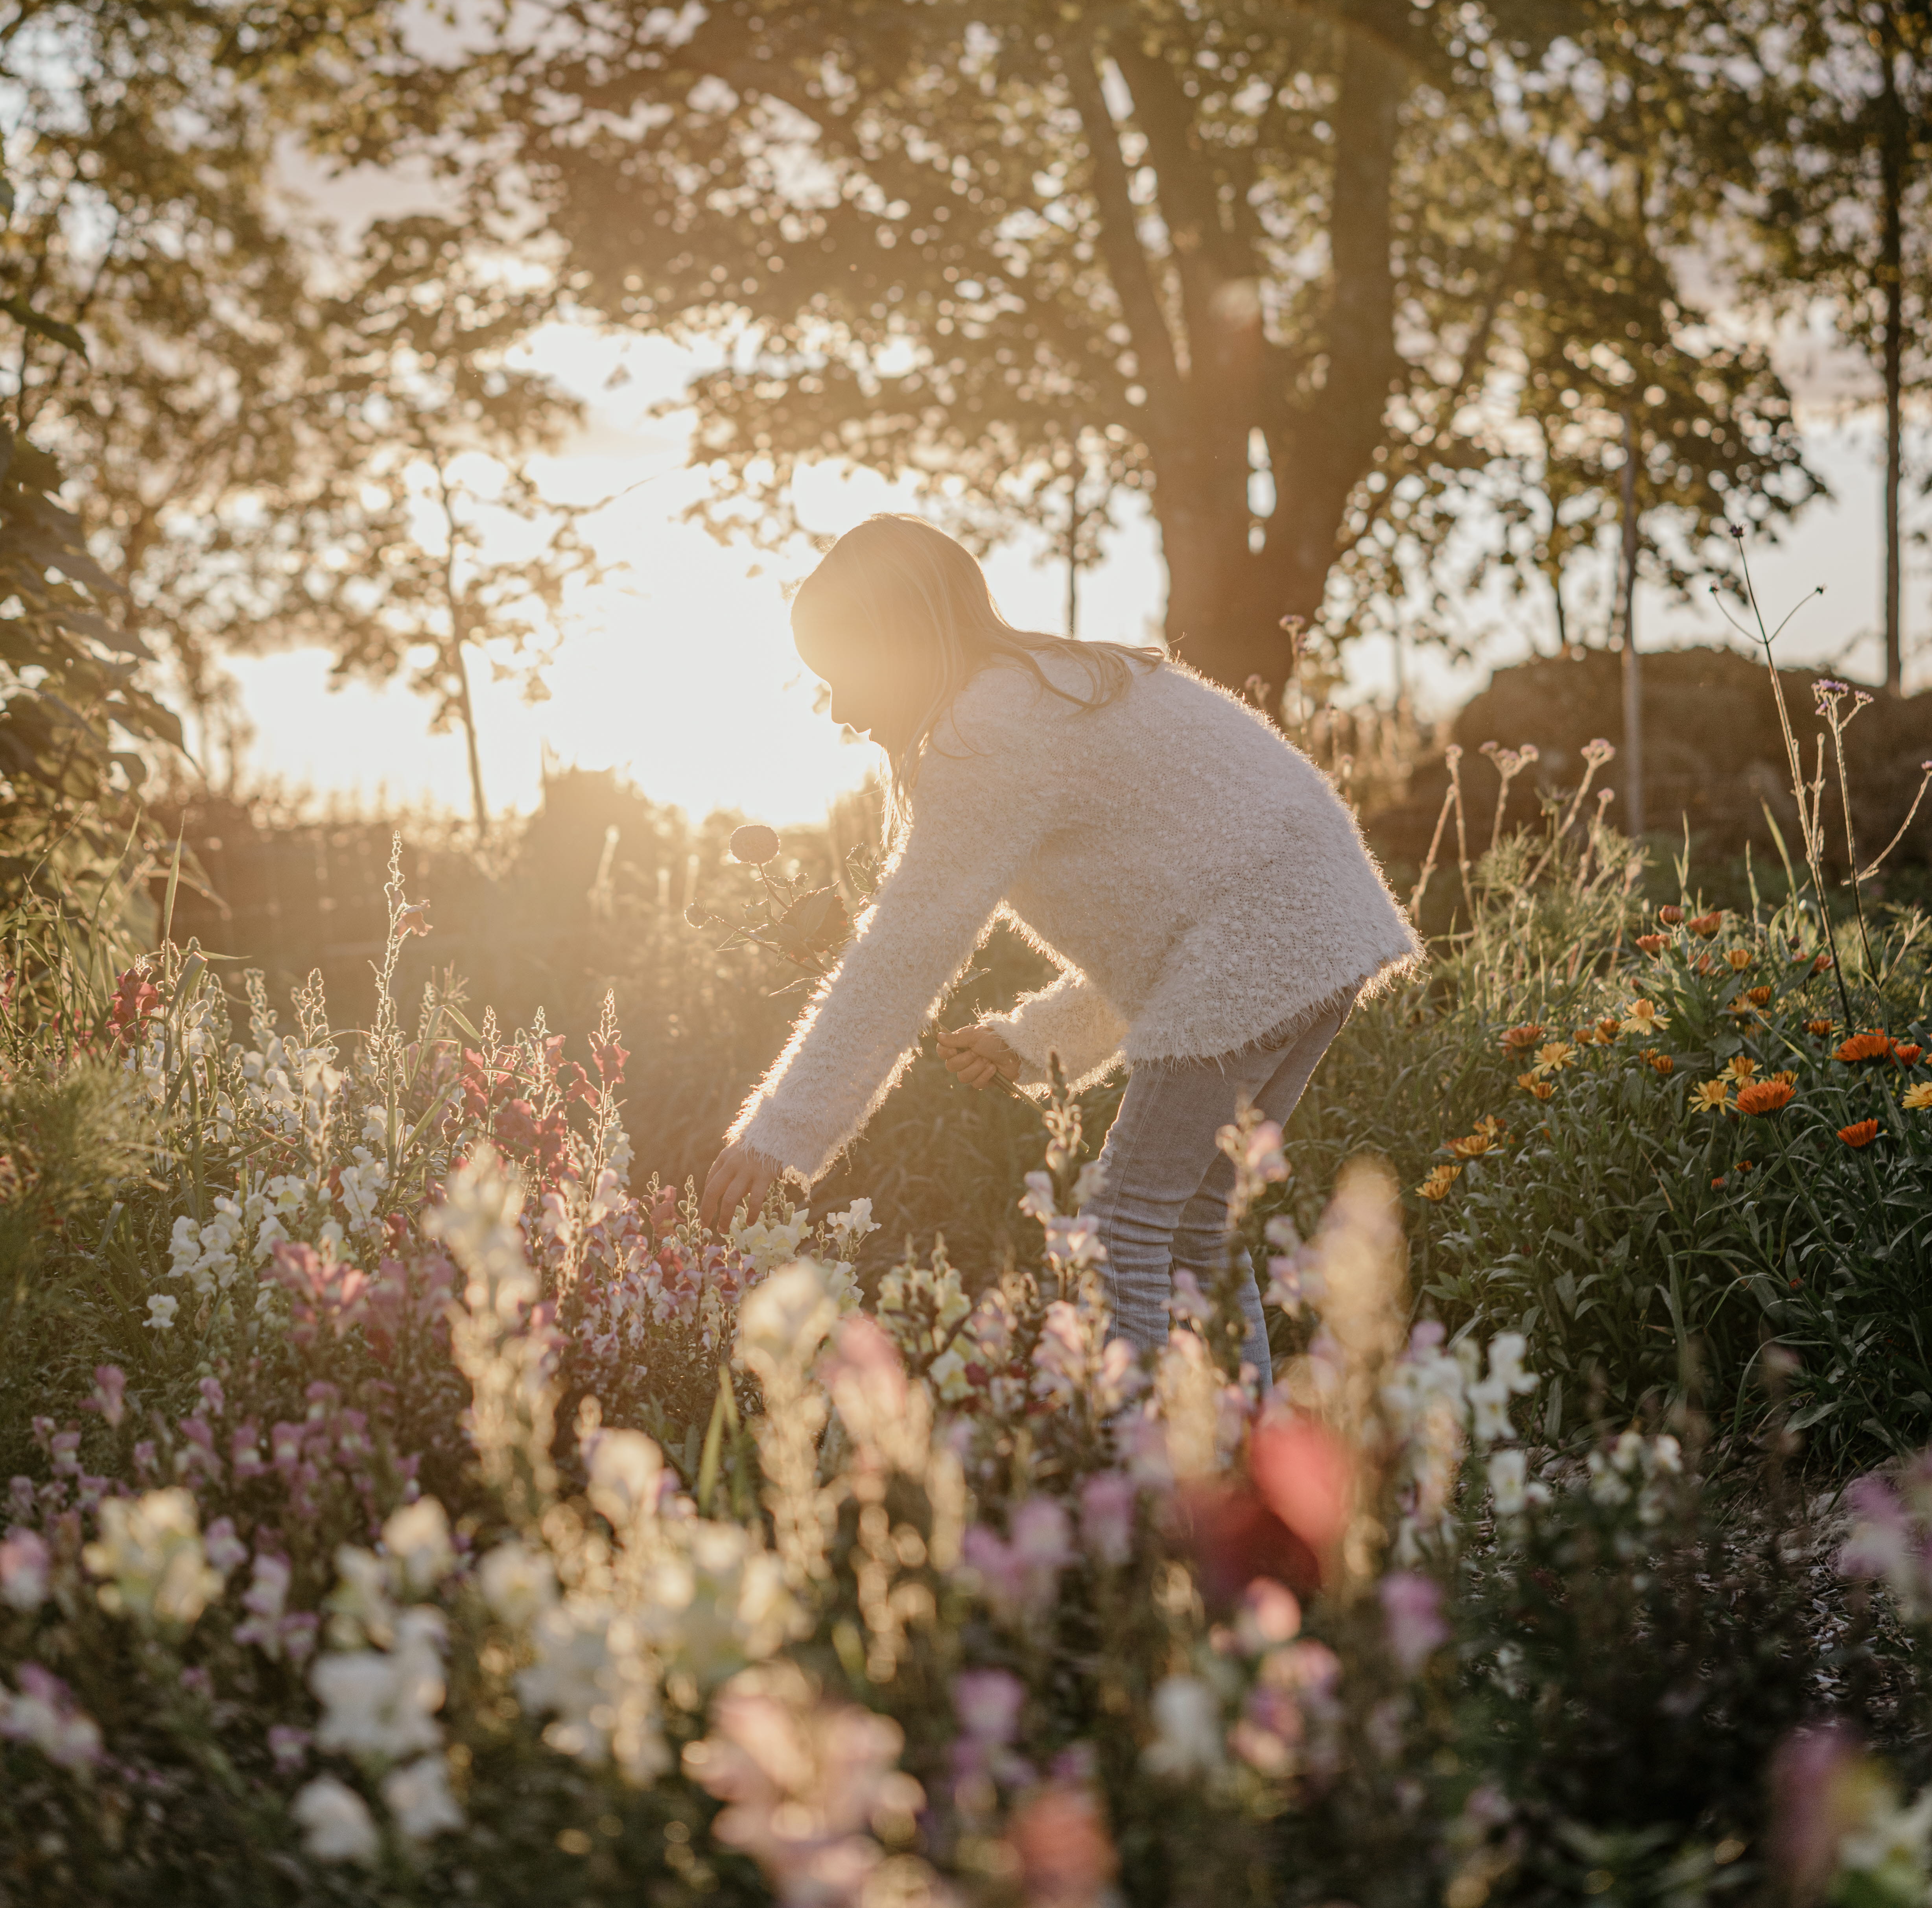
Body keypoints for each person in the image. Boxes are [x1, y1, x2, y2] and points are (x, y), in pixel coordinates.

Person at [700, 514, 1421, 1379]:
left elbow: (904, 953)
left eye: (839, 676)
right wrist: (1030, 1036)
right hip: (1312, 925)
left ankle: (1156, 1488)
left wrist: (781, 1131)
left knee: (1125, 1222)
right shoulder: (1047, 685)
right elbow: (1167, 916)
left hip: (1257, 939)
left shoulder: (987, 730)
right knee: (1192, 1222)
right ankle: (1234, 1476)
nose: (840, 711)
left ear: (893, 641)